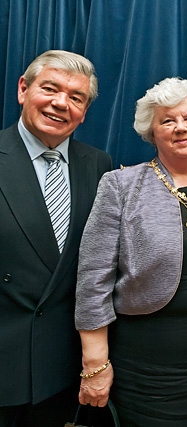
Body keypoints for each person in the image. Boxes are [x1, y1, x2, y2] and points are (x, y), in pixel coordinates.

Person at [74, 77, 187, 426]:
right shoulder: (120, 185)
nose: (180, 128)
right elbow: (92, 278)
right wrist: (95, 364)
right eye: (167, 120)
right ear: (151, 131)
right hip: (142, 366)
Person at [0, 50, 112, 427]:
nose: (61, 103)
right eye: (50, 88)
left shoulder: (99, 165)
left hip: (60, 371)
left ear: (84, 111)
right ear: (22, 89)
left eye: (76, 98)